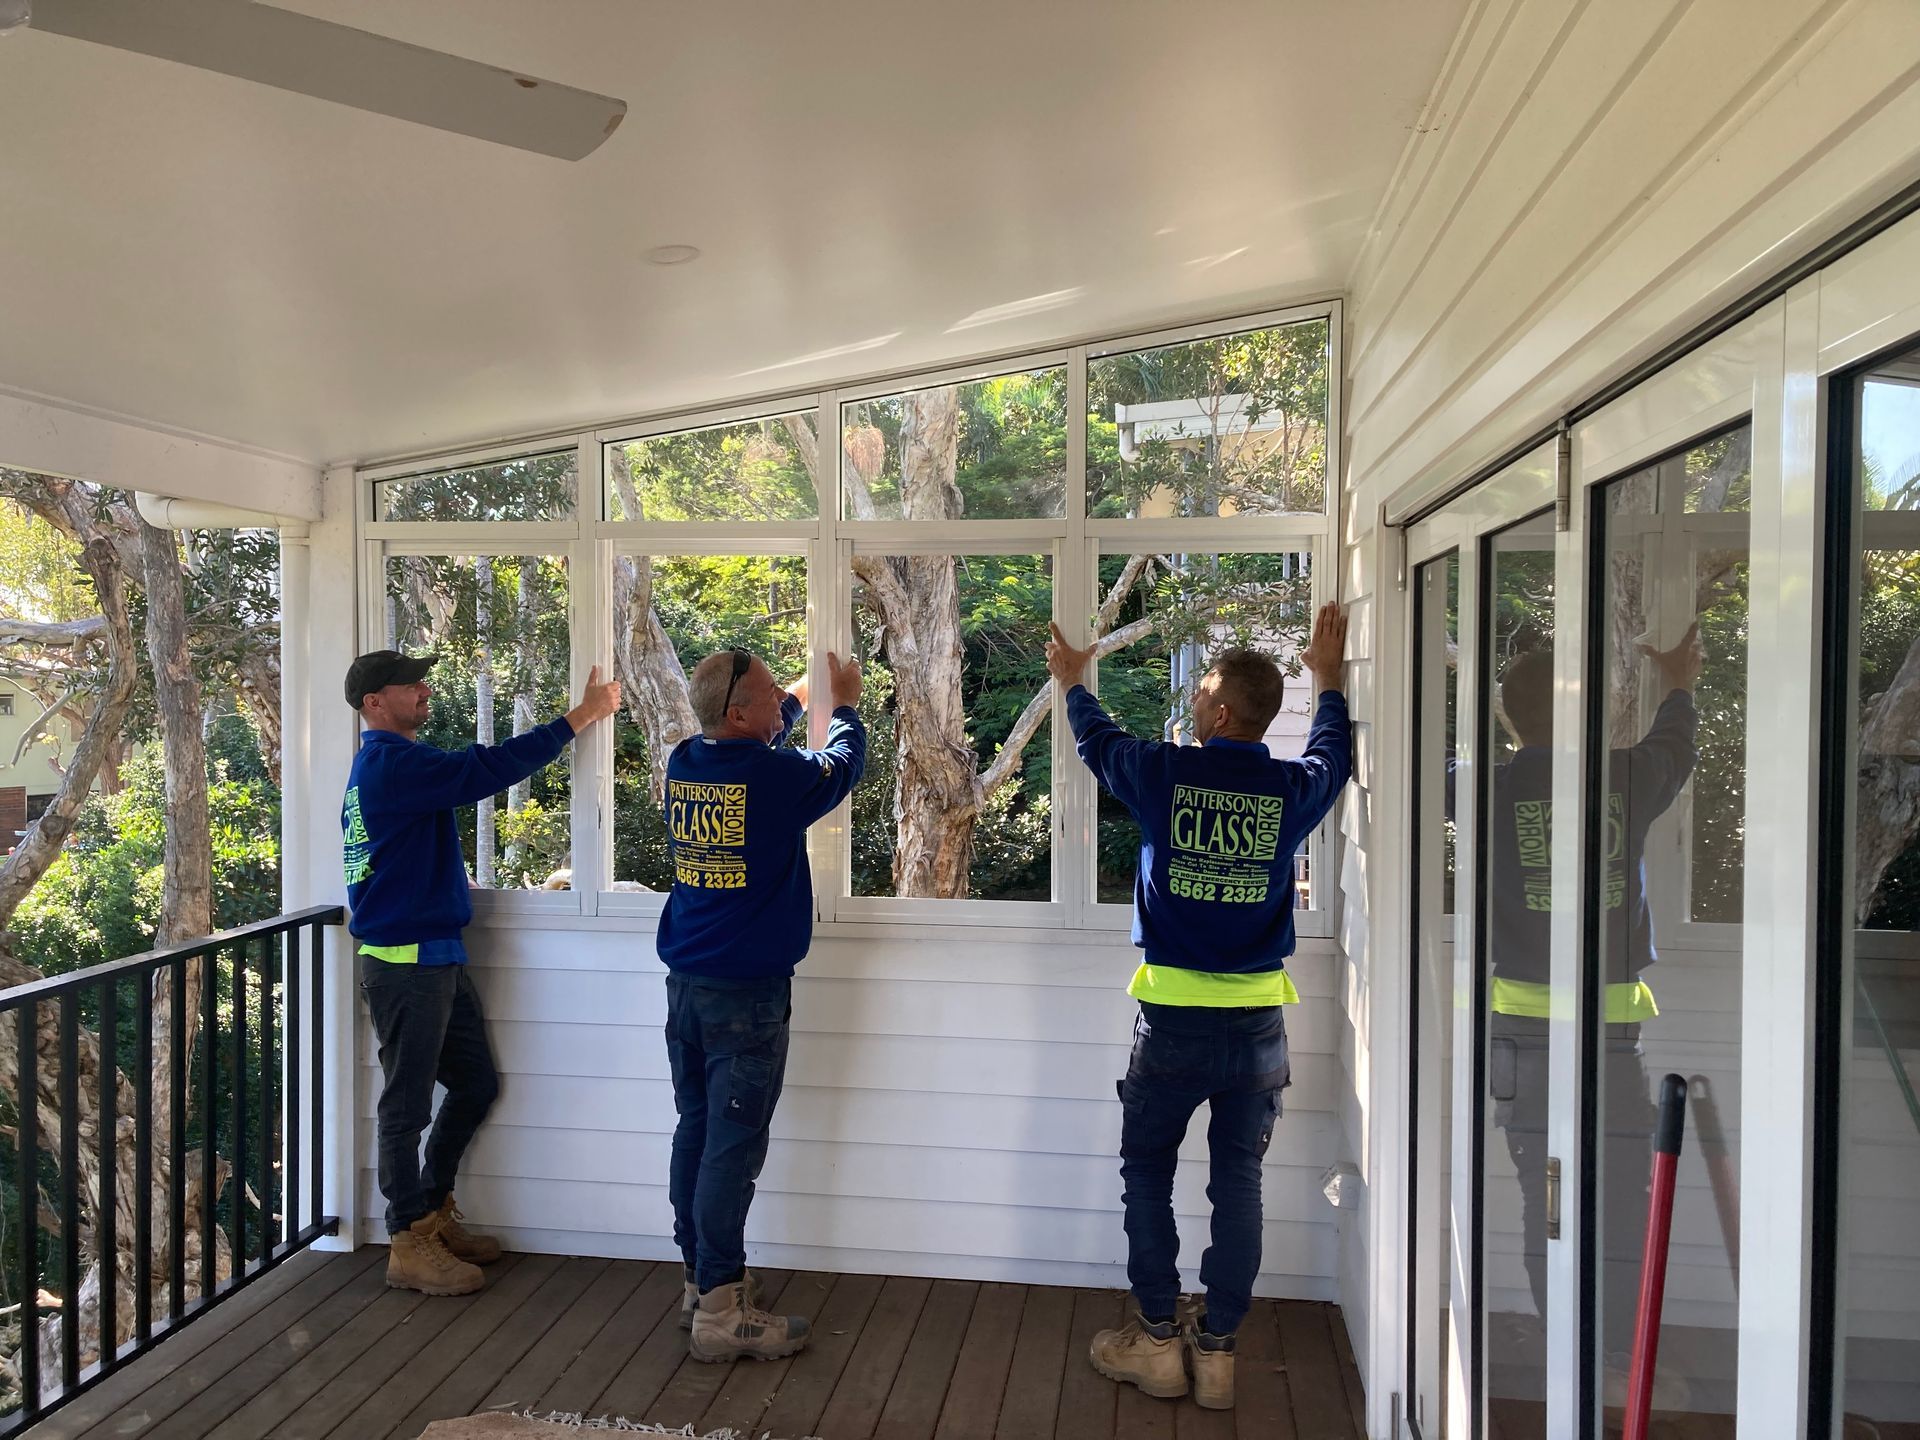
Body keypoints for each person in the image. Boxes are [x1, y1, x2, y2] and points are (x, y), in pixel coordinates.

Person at [1046, 604, 1353, 1411]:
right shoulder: (1290, 790)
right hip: (1257, 1027)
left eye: (1203, 690)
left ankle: (1154, 1344)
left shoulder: (1166, 773)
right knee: (1238, 1184)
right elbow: (1334, 754)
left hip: (1173, 1021)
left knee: (1147, 1173)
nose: (1193, 702)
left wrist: (1075, 679)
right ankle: (1216, 1353)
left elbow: (1096, 741)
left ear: (1220, 712)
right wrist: (1329, 679)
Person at [342, 650, 621, 1296]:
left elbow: (398, 854)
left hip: (434, 957)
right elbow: (488, 768)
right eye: (409, 685)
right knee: (405, 1106)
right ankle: (407, 1239)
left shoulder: (388, 767)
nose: (424, 691)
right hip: (405, 965)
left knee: (474, 1083)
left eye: (422, 681)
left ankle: (432, 1211)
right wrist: (581, 716)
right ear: (373, 703)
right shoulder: (392, 763)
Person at [1482, 627, 1700, 1397]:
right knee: (1616, 1198)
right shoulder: (1628, 776)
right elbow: (1676, 738)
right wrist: (1676, 678)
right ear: (1587, 712)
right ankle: (1604, 1358)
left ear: (1513, 720)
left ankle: (1570, 1353)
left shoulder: (1488, 786)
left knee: (1550, 1196)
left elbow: (1417, 772)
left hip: (1525, 1033)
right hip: (1610, 1040)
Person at [661, 647, 868, 1363]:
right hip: (745, 997)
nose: (783, 702)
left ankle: (700, 1279)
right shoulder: (775, 779)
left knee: (697, 1130)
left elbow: (761, 743)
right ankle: (721, 1312)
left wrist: (792, 696)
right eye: (770, 696)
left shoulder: (687, 759)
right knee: (731, 1150)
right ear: (740, 712)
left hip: (687, 985)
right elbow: (841, 765)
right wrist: (841, 706)